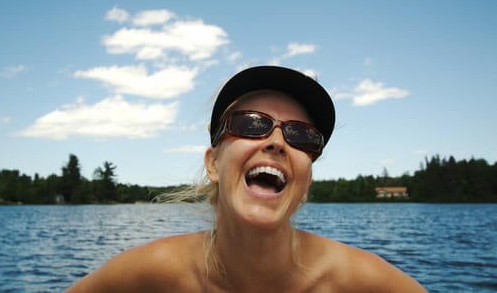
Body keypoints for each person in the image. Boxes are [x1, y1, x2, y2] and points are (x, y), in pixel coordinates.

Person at [66, 65, 427, 292]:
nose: (275, 142)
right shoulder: (154, 272)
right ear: (213, 164)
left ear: (305, 185)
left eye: (301, 136)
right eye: (252, 124)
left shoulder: (360, 281)